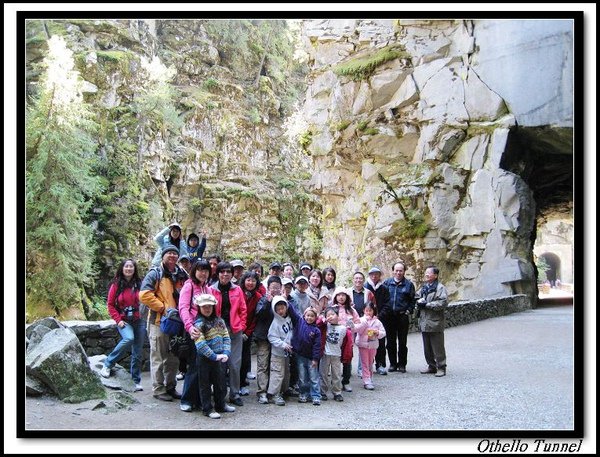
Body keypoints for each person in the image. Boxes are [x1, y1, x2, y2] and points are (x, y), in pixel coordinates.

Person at [139, 245, 188, 401]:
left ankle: (171, 386)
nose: (172, 256)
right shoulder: (155, 273)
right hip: (158, 321)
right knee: (158, 356)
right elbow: (144, 295)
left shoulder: (181, 274)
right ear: (163, 256)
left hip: (177, 323)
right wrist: (164, 308)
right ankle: (159, 389)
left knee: (173, 357)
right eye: (169, 253)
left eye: (175, 253)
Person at [101, 259, 146, 392]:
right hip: (124, 320)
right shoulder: (116, 285)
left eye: (131, 266)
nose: (128, 269)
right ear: (122, 268)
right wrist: (118, 320)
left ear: (134, 269)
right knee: (128, 338)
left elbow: (146, 299)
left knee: (137, 352)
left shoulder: (139, 283)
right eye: (126, 266)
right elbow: (110, 305)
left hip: (139, 320)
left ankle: (135, 380)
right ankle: (108, 364)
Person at [193, 293, 236, 419]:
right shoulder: (199, 324)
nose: (207, 309)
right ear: (199, 308)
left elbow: (226, 337)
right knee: (205, 385)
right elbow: (200, 344)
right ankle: (207, 408)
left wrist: (226, 352)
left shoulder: (220, 321)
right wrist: (212, 356)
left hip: (220, 357)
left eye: (209, 306)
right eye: (204, 307)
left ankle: (221, 404)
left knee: (220, 382)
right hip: (204, 359)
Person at [210, 261, 247, 406]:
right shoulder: (211, 289)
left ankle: (234, 393)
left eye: (228, 272)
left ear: (232, 274)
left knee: (234, 363)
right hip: (217, 331)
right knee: (219, 363)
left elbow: (243, 310)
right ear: (218, 273)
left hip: (234, 330)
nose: (225, 274)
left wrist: (241, 325)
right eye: (222, 271)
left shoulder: (237, 290)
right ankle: (219, 393)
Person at [177, 259, 212, 412]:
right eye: (200, 270)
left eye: (206, 270)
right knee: (194, 365)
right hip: (194, 331)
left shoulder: (208, 289)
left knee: (204, 366)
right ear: (194, 271)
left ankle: (198, 399)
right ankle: (187, 399)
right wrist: (190, 327)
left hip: (206, 331)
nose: (203, 273)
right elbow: (183, 308)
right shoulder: (188, 286)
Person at [253, 276, 283, 404]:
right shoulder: (263, 299)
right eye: (272, 288)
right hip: (264, 337)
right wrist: (267, 302)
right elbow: (259, 314)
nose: (275, 290)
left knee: (276, 366)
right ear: (268, 288)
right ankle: (262, 392)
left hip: (278, 338)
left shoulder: (283, 301)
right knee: (263, 365)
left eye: (277, 287)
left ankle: (275, 392)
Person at [383, 262, 416, 373]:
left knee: (402, 342)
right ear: (393, 271)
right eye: (396, 270)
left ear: (404, 271)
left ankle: (402, 364)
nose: (398, 273)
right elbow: (382, 298)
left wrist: (408, 311)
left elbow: (413, 300)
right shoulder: (387, 283)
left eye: (400, 270)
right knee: (391, 342)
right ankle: (392, 364)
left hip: (402, 316)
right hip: (390, 316)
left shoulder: (409, 284)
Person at [416, 266, 449, 377]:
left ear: (435, 275)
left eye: (429, 273)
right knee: (427, 347)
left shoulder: (440, 288)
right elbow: (417, 296)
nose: (426, 275)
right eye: (426, 273)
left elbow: (443, 302)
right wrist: (418, 302)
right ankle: (431, 366)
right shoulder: (425, 287)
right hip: (425, 321)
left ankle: (441, 367)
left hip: (435, 322)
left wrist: (427, 304)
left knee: (438, 346)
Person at [288, 304, 321, 405]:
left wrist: (315, 359)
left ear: (315, 318)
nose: (309, 318)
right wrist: (288, 302)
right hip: (300, 355)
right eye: (307, 315)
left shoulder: (316, 330)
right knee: (302, 377)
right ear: (304, 315)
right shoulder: (299, 322)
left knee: (313, 377)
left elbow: (317, 346)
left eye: (312, 316)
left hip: (311, 358)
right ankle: (304, 393)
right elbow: (293, 313)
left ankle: (315, 395)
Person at [330, 287, 360, 393]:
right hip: (335, 339)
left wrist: (353, 326)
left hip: (348, 340)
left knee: (347, 360)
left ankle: (346, 381)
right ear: (335, 297)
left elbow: (358, 323)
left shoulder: (351, 310)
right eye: (339, 295)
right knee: (335, 361)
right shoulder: (332, 309)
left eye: (343, 295)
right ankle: (335, 381)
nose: (341, 297)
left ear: (347, 297)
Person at [239, 270, 263, 397]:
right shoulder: (238, 292)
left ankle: (242, 383)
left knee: (244, 359)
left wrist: (247, 332)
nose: (250, 283)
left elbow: (255, 317)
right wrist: (238, 329)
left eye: (253, 280)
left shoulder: (258, 297)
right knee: (233, 359)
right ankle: (232, 383)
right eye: (248, 280)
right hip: (236, 329)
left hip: (247, 332)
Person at [267, 295, 294, 406]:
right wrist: (282, 344)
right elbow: (271, 337)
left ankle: (283, 390)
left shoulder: (288, 319)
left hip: (286, 353)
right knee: (277, 373)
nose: (281, 311)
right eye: (278, 309)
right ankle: (273, 394)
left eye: (282, 308)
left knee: (286, 373)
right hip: (277, 353)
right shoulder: (275, 322)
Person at [317, 306, 346, 402]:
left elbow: (346, 342)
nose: (331, 317)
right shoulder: (325, 326)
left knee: (336, 374)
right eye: (328, 315)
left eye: (333, 314)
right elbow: (317, 324)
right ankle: (323, 392)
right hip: (325, 353)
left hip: (336, 354)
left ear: (338, 316)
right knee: (323, 373)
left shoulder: (343, 328)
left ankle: (337, 392)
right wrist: (324, 320)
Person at [354, 303, 386, 390]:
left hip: (373, 344)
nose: (368, 312)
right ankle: (366, 380)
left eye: (370, 310)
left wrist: (377, 332)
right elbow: (356, 329)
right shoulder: (361, 320)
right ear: (364, 310)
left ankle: (370, 378)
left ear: (373, 311)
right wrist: (364, 323)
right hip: (363, 344)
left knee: (370, 362)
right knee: (364, 363)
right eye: (367, 310)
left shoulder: (377, 322)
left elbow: (383, 333)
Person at [365, 266, 391, 375]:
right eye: (372, 274)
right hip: (367, 320)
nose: (374, 276)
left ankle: (380, 365)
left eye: (376, 274)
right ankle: (367, 366)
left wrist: (379, 315)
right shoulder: (365, 287)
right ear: (369, 275)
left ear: (380, 276)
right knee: (368, 342)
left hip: (380, 320)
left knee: (380, 342)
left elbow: (387, 304)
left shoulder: (384, 288)